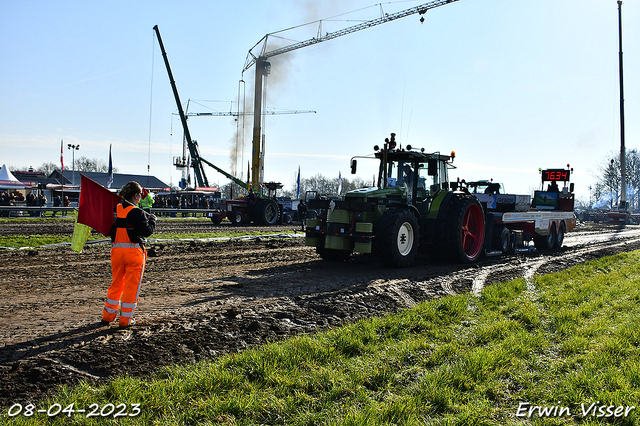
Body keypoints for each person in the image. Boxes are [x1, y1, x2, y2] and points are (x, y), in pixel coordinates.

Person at [102, 181, 156, 328]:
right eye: (140, 195)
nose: (140, 198)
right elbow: (146, 232)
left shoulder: (116, 208)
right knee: (131, 287)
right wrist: (152, 221)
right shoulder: (137, 212)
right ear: (136, 196)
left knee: (116, 283)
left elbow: (109, 228)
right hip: (133, 252)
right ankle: (125, 320)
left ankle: (108, 316)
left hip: (117, 251)